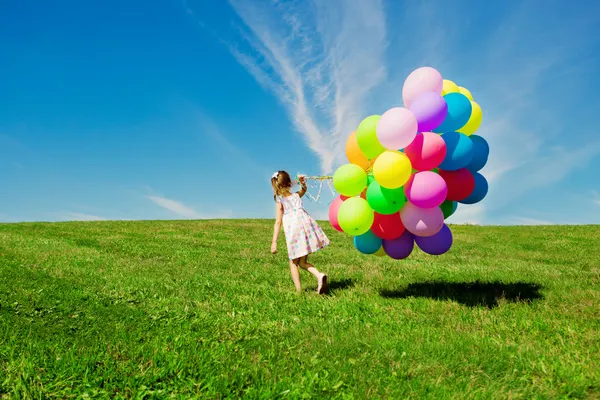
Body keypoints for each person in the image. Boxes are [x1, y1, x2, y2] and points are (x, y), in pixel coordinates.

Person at [270, 170, 330, 294]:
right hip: (305, 227)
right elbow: (304, 190)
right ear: (289, 183)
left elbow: (278, 222)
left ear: (276, 186)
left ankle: (298, 292)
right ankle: (319, 275)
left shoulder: (280, 200)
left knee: (293, 262)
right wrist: (303, 183)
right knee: (302, 262)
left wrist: (274, 242)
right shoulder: (296, 196)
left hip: (294, 231)